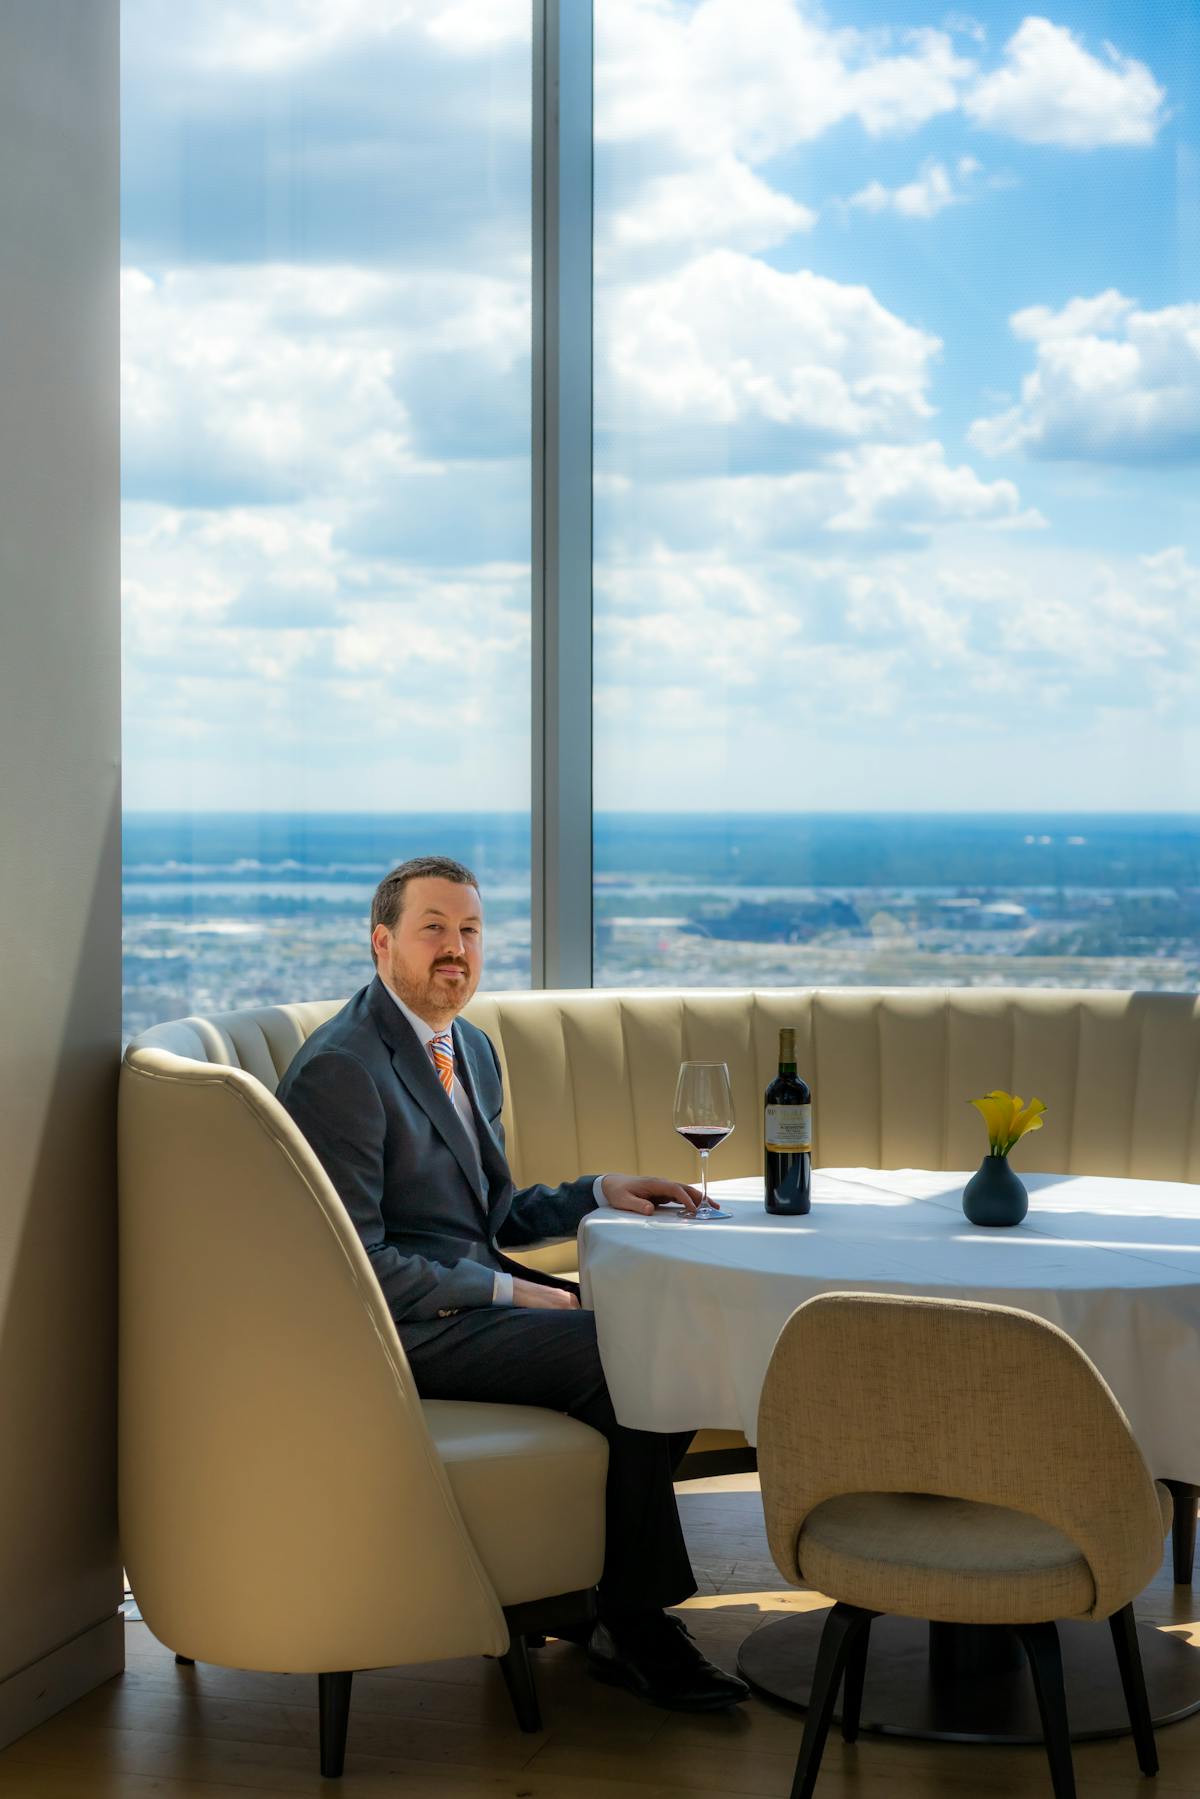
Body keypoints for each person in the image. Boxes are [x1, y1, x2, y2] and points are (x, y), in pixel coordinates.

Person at [276, 854, 749, 1713]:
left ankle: (596, 1595)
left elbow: (493, 1210)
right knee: (632, 1358)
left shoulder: (471, 1048)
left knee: (669, 1343)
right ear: (382, 943)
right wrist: (510, 1294)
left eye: (469, 931)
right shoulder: (343, 1067)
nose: (454, 950)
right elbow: (350, 1264)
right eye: (432, 930)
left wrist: (602, 1192)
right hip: (397, 1331)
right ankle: (634, 1622)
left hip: (460, 1301)